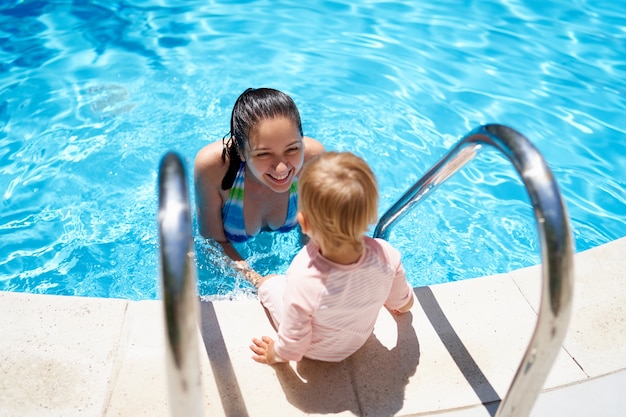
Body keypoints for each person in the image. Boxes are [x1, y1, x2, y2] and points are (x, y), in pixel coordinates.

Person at [249, 151, 415, 365]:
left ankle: (261, 282)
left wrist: (273, 354)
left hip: (316, 351)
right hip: (358, 341)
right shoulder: (386, 255)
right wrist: (402, 305)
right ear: (371, 214)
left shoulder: (304, 276)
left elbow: (293, 345)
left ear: (304, 222)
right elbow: (403, 303)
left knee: (270, 282)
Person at [194, 88, 324, 280]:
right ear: (240, 151)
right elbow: (214, 243)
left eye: (293, 149)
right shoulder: (213, 167)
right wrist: (257, 281)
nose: (281, 169)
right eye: (264, 154)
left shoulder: (313, 159)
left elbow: (312, 231)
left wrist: (308, 274)